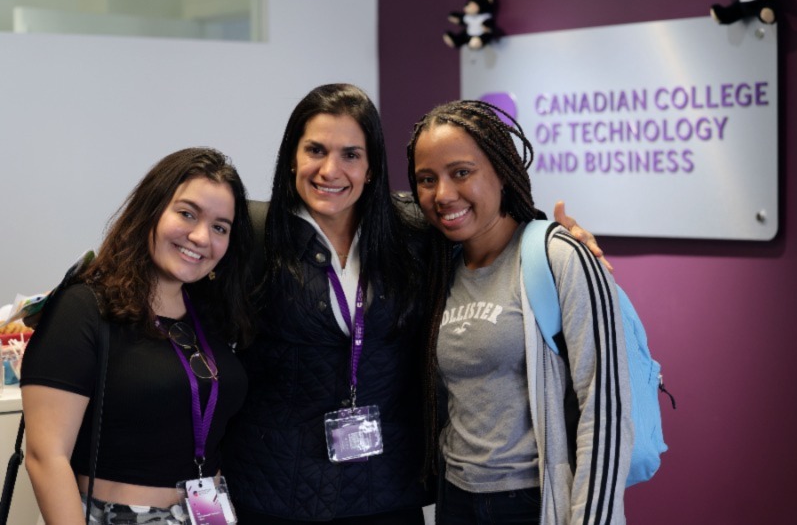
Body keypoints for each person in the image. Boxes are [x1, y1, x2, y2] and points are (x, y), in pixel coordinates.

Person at [222, 83, 610, 525]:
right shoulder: (249, 235)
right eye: (315, 150)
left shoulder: (413, 235)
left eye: (351, 154)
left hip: (387, 493)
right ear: (292, 156)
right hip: (272, 490)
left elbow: (488, 225)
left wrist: (561, 238)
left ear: (371, 168)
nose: (331, 169)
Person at [406, 100, 633, 524]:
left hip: (533, 502)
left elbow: (606, 410)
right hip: (455, 500)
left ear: (502, 170)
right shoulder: (441, 269)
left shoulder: (559, 257)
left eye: (461, 173)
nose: (443, 194)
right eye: (426, 179)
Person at [20, 147, 256, 525]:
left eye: (219, 227)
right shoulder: (84, 308)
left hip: (209, 513)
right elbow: (46, 457)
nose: (200, 236)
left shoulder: (211, 315)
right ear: (151, 209)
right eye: (187, 213)